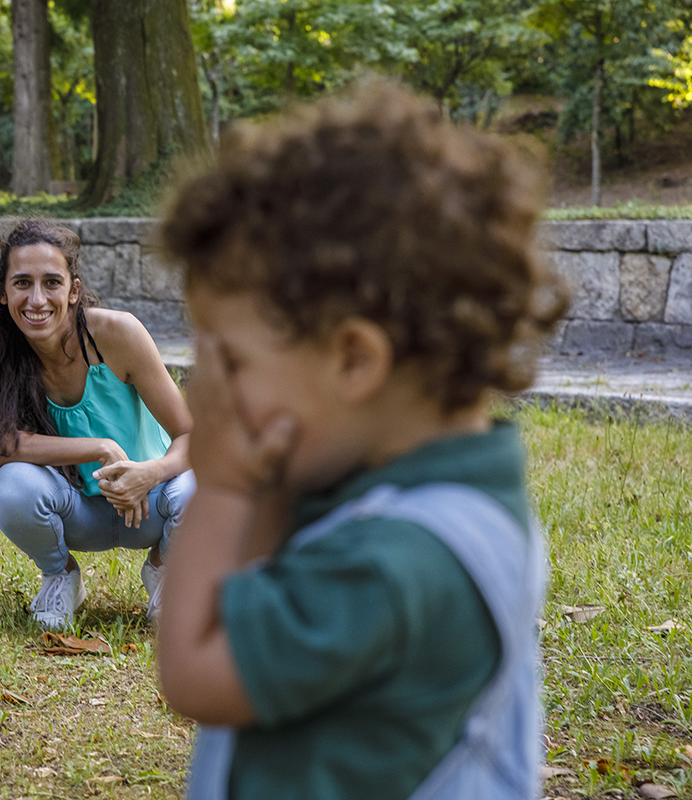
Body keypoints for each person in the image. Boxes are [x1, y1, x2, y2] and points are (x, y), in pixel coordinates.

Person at [156, 83, 568, 799]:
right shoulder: (428, 489)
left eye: (235, 364)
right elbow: (253, 580)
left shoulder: (394, 563)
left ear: (353, 360)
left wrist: (221, 484)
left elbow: (195, 672)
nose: (213, 392)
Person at [0, 218, 194, 629]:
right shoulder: (3, 350)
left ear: (73, 291)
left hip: (148, 504)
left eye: (52, 282)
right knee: (12, 486)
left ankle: (165, 571)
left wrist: (150, 473)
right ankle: (61, 576)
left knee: (202, 486)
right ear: (3, 292)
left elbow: (191, 435)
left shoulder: (117, 334)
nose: (37, 299)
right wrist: (99, 447)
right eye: (22, 283)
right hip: (76, 511)